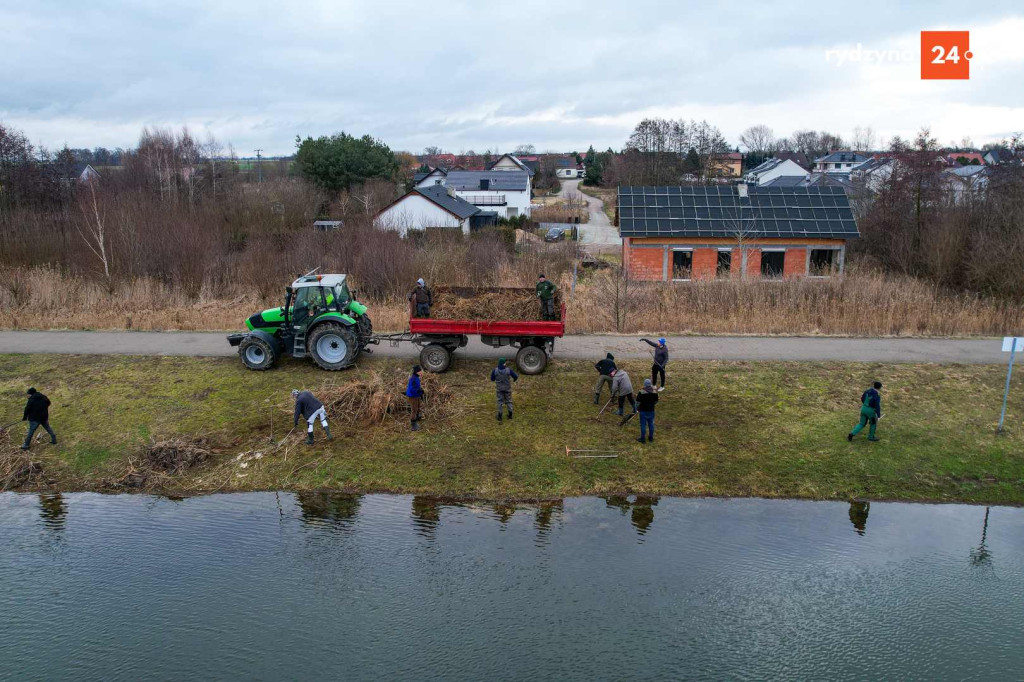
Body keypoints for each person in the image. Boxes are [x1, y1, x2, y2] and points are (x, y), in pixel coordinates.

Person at [636, 379, 659, 444]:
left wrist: (637, 408)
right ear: (650, 384)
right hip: (651, 410)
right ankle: (651, 438)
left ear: (644, 384)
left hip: (643, 411)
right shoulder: (654, 392)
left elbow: (638, 402)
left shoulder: (641, 392)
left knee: (643, 425)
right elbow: (656, 401)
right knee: (651, 424)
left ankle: (642, 439)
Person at [406, 365, 424, 431]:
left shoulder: (417, 377)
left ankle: (417, 417)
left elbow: (417, 386)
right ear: (417, 372)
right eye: (420, 371)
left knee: (419, 405)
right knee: (414, 409)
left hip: (416, 395)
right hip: (412, 396)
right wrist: (419, 391)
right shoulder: (413, 379)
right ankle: (413, 425)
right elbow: (412, 389)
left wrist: (420, 392)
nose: (421, 372)